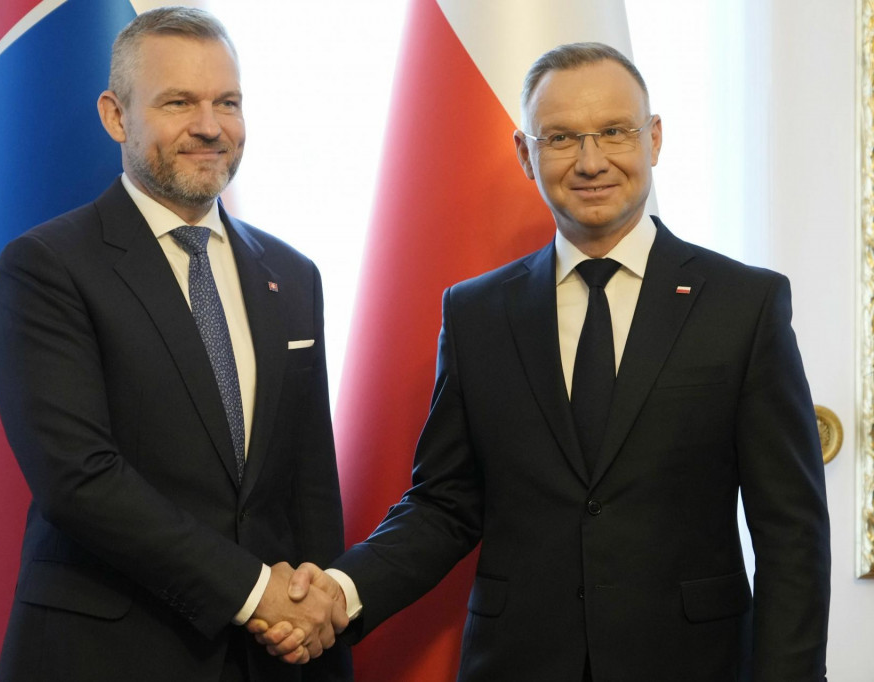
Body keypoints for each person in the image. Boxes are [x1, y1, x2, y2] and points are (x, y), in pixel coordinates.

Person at [256, 42, 831, 681]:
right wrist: (342, 590)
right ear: (526, 154)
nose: (590, 161)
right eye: (560, 138)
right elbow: (445, 503)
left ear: (655, 139)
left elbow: (791, 533)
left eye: (615, 131)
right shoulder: (477, 313)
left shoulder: (743, 304)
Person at [0, 7, 350, 681]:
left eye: (228, 102)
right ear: (116, 115)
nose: (210, 125)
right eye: (179, 102)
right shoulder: (47, 266)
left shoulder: (292, 276)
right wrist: (251, 592)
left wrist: (317, 624)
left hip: (268, 660)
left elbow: (308, 486)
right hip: (108, 656)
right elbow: (81, 480)